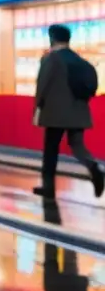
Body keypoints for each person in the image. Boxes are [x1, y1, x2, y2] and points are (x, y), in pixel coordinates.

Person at [34, 24, 103, 199]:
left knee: (51, 149)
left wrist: (37, 109)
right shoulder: (78, 59)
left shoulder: (51, 59)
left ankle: (48, 187)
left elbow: (42, 86)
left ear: (52, 38)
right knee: (77, 145)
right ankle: (94, 168)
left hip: (56, 114)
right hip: (78, 110)